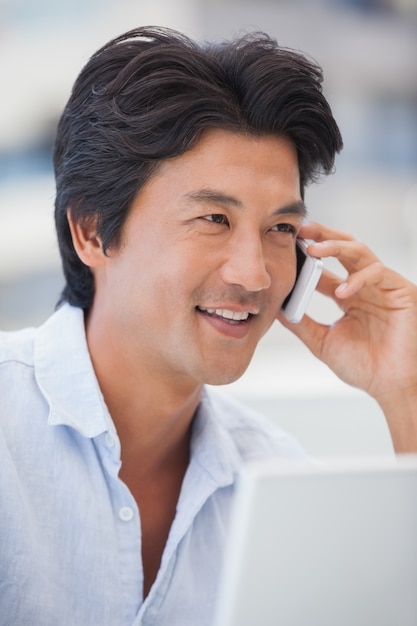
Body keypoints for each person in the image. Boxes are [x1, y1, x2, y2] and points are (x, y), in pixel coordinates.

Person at [1, 25, 416, 626]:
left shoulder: (282, 487)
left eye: (279, 229)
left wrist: (405, 392)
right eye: (214, 218)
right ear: (91, 231)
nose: (253, 276)